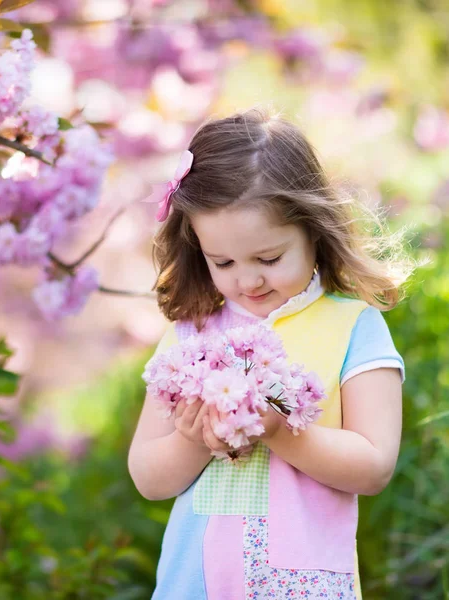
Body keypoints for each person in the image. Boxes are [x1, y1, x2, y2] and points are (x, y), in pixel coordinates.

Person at [128, 107, 412, 600]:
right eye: (223, 262)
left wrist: (280, 430)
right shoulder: (190, 335)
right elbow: (148, 476)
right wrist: (194, 441)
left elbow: (374, 464)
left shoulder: (353, 329)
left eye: (269, 258)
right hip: (193, 583)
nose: (248, 279)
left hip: (300, 584)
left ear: (313, 231)